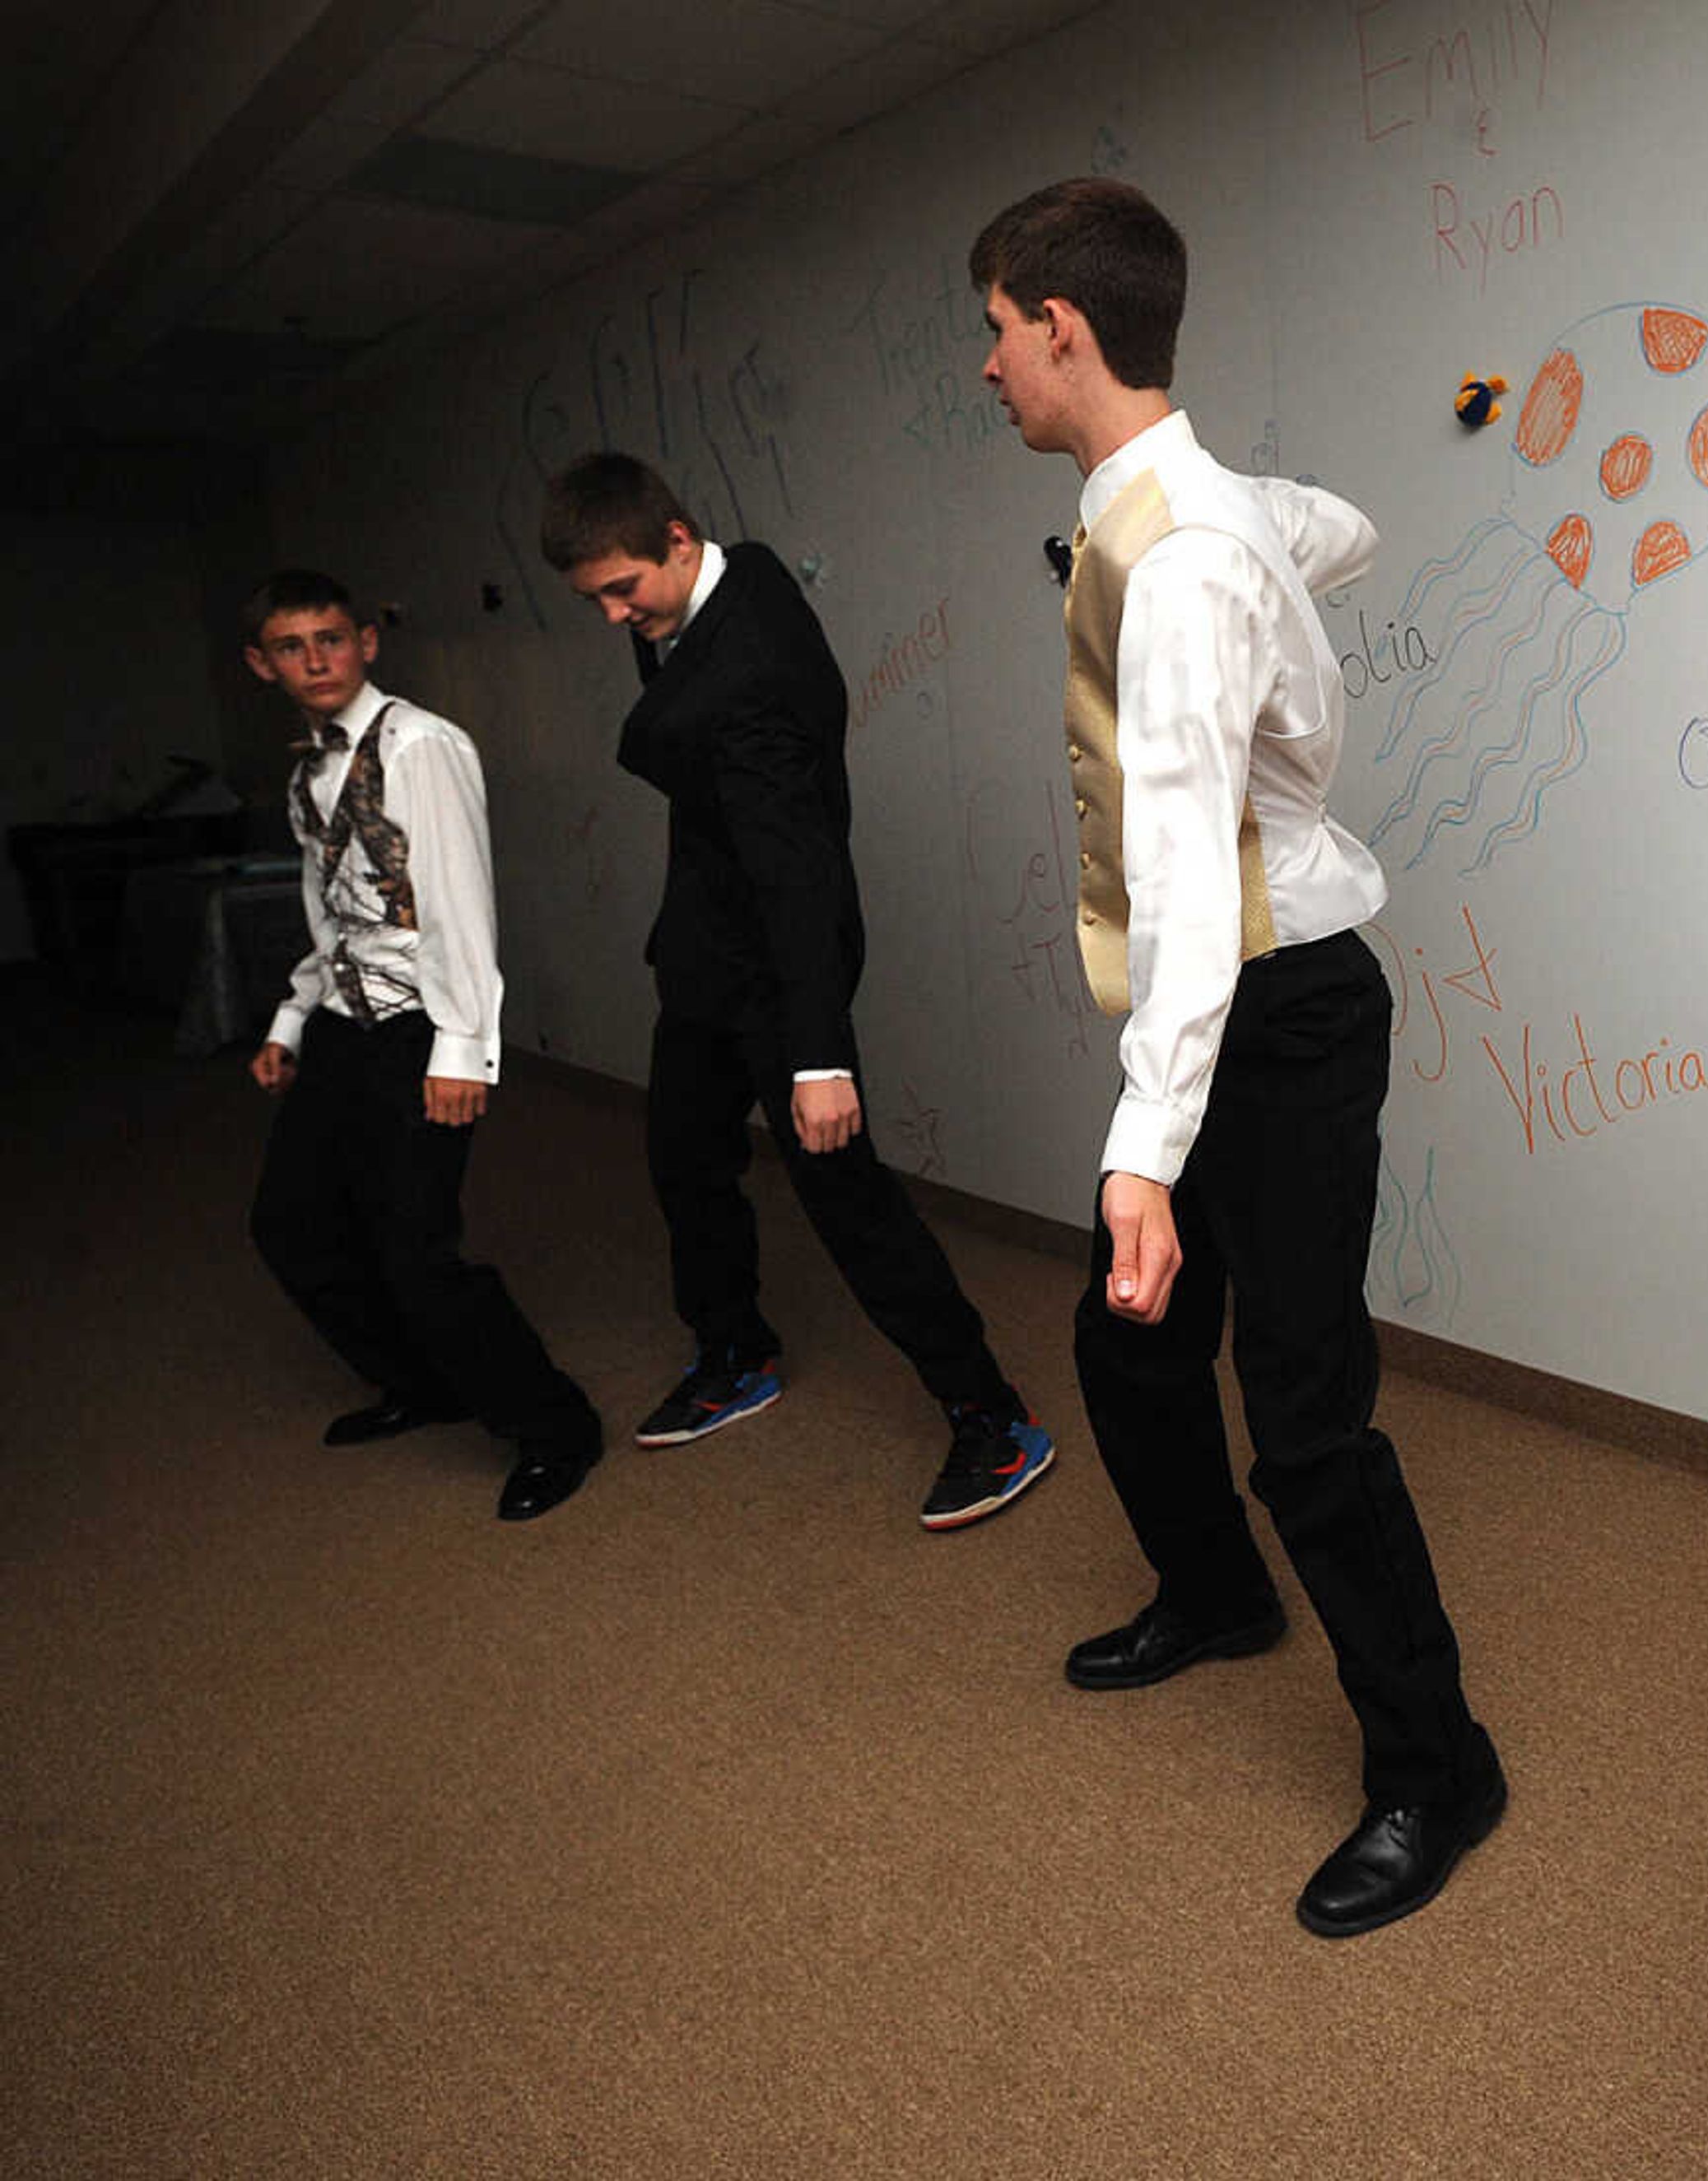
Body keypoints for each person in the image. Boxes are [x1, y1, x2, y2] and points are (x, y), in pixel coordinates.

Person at [968, 176, 1503, 1937]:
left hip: (1275, 1005)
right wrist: (1274, 542)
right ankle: (1218, 1594)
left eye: (996, 330)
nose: (986, 367)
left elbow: (1194, 888)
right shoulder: (1199, 511)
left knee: (1305, 1409)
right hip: (1233, 1002)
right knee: (1125, 1340)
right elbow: (1332, 518)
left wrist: (1140, 1143)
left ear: (1063, 327)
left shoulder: (1186, 561)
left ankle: (1438, 1765)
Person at [537, 455, 1053, 1532]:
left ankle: (992, 1419)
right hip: (702, 957)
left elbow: (801, 871)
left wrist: (818, 1055)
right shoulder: (738, 576)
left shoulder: (754, 675)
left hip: (780, 972)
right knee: (685, 1160)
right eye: (596, 600)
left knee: (848, 1201)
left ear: (679, 541)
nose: (614, 617)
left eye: (624, 589)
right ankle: (736, 1352)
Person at [242, 569, 604, 1522]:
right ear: (262, 662)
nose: (314, 659)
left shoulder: (422, 747)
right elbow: (331, 915)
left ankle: (554, 1425)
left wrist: (461, 1049)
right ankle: (425, 1381)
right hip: (341, 1023)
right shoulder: (307, 772)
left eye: (330, 637)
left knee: (417, 1248)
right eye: (291, 645)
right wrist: (289, 1020)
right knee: (292, 1223)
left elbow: (456, 905)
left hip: (420, 1024)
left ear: (367, 641)